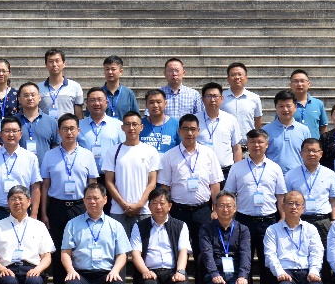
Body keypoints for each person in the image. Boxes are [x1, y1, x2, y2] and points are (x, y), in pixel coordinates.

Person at [223, 129, 286, 284]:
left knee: (268, 264)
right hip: (243, 221)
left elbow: (280, 196)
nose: (256, 146)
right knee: (243, 262)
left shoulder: (275, 168)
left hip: (269, 221)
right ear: (246, 145)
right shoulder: (237, 168)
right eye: (252, 142)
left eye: (260, 142)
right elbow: (230, 194)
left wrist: (283, 217)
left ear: (266, 144)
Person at [59, 183, 132, 284]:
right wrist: (70, 270)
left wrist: (115, 271)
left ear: (105, 200)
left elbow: (122, 254)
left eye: (96, 198)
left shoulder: (115, 225)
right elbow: (65, 252)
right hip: (81, 274)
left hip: (106, 274)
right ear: (83, 201)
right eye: (88, 198)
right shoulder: (73, 224)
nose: (92, 202)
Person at [40, 113, 99, 284]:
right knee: (58, 256)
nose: (69, 132)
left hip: (80, 208)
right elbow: (45, 186)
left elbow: (93, 185)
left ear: (78, 131)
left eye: (72, 128)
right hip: (57, 209)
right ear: (59, 132)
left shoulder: (87, 155)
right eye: (64, 128)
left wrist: (92, 210)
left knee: (78, 254)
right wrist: (44, 213)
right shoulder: (50, 155)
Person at [129, 187, 192, 284]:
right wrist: (145, 271)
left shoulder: (180, 225)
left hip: (172, 272)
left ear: (170, 206)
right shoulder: (139, 226)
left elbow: (183, 251)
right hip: (150, 271)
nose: (158, 206)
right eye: (154, 203)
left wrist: (180, 271)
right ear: (149, 206)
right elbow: (135, 253)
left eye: (162, 203)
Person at [157, 114, 224, 256]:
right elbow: (165, 187)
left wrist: (215, 210)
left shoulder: (208, 154)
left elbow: (215, 184)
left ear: (198, 131)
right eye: (185, 129)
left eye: (193, 129)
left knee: (204, 252)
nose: (189, 133)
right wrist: (168, 211)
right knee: (178, 252)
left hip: (203, 211)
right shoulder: (169, 156)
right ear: (179, 131)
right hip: (178, 212)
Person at [199, 192, 251, 284]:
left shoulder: (243, 229)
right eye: (221, 206)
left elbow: (246, 254)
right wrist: (214, 273)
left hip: (236, 275)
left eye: (229, 206)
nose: (225, 209)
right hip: (214, 275)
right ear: (215, 208)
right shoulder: (206, 228)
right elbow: (206, 253)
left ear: (235, 208)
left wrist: (243, 275)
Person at [102, 111, 159, 234]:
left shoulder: (150, 151)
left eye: (135, 124)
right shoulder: (113, 151)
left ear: (141, 127)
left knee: (143, 245)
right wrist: (123, 204)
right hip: (118, 210)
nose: (131, 128)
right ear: (122, 127)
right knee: (119, 245)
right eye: (127, 124)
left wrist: (139, 205)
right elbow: (109, 181)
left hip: (144, 210)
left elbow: (152, 182)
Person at [0, 118, 43, 229]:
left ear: (20, 134)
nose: (11, 134)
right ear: (1, 134)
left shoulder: (30, 157)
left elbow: (35, 187)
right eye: (7, 131)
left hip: (22, 212)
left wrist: (34, 214)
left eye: (15, 131)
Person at [282, 139, 335, 242]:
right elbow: (286, 200)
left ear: (321, 153)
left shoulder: (330, 174)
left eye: (314, 151)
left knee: (325, 251)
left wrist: (334, 219)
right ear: (301, 153)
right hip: (299, 220)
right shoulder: (291, 175)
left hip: (323, 221)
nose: (311, 154)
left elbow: (333, 199)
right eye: (307, 150)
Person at [198, 82, 245, 178]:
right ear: (202, 99)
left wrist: (238, 172)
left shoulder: (230, 120)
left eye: (215, 96)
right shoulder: (195, 120)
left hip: (226, 172)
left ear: (222, 99)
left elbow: (236, 148)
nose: (212, 100)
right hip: (201, 171)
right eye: (208, 96)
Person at [263, 91, 312, 174]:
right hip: (273, 175)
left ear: (295, 107)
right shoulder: (266, 130)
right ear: (275, 107)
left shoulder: (304, 130)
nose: (285, 109)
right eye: (281, 106)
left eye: (289, 106)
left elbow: (309, 154)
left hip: (299, 175)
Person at [78, 87, 124, 170]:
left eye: (100, 100)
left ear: (106, 103)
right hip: (86, 174)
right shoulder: (79, 126)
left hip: (111, 174)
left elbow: (124, 150)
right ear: (87, 104)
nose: (96, 103)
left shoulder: (118, 125)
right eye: (92, 100)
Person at [14, 82, 59, 161]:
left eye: (33, 95)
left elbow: (56, 147)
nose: (30, 98)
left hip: (44, 167)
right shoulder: (13, 122)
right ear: (19, 99)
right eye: (26, 95)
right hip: (18, 166)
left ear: (39, 97)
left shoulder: (51, 122)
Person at [39, 49, 85, 119]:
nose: (54, 64)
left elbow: (79, 116)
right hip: (45, 126)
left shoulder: (75, 87)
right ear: (46, 64)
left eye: (57, 61)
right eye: (50, 61)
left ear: (63, 64)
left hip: (68, 126)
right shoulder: (38, 88)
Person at [288, 70, 329, 135]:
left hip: (314, 141)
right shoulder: (285, 105)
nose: (299, 84)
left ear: (308, 84)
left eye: (302, 81)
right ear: (290, 85)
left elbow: (323, 127)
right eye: (296, 81)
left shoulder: (318, 104)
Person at [222, 62, 263, 129]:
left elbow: (258, 121)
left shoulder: (254, 98)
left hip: (248, 135)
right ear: (228, 79)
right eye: (233, 75)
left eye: (240, 74)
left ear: (246, 78)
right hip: (226, 135)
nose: (237, 77)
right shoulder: (221, 97)